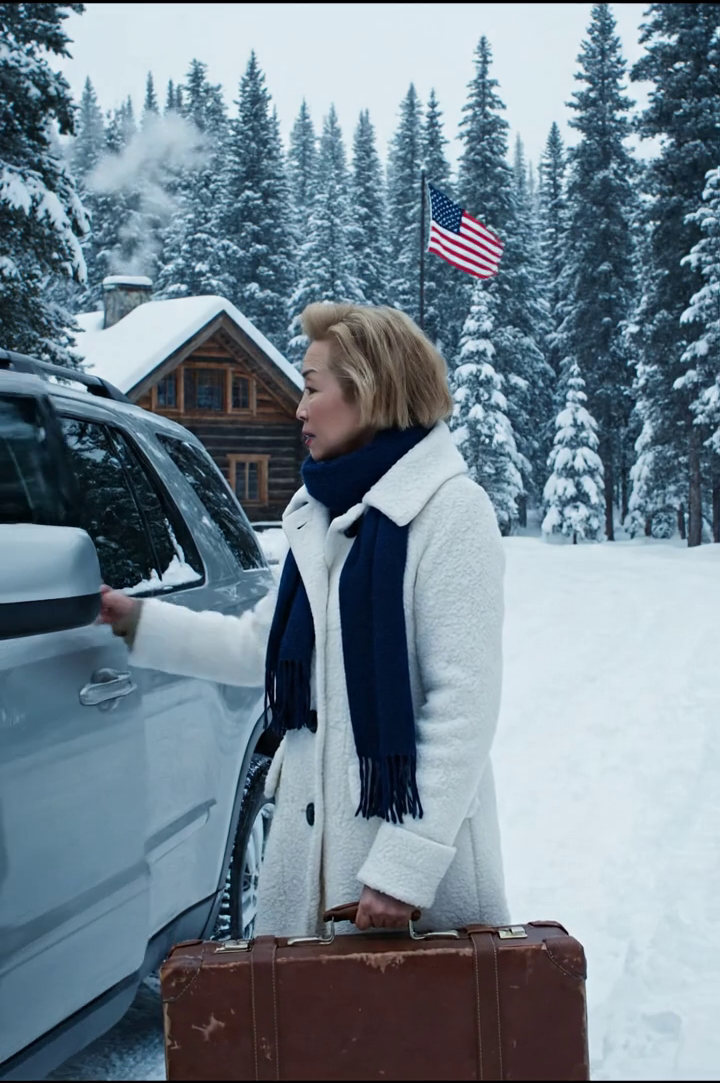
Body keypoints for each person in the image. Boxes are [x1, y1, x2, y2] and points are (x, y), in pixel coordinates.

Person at [100, 302, 510, 936]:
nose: (297, 409)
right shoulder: (319, 512)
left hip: (401, 878)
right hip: (310, 849)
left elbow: (464, 707)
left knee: (419, 1033)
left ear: (369, 393)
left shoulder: (450, 513)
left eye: (312, 387)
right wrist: (133, 621)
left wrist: (402, 870)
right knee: (310, 1030)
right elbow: (261, 648)